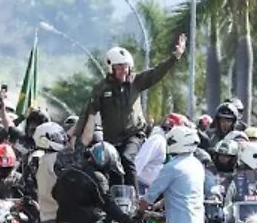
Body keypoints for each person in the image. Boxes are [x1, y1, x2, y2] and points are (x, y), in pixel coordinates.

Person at [71, 36, 187, 186]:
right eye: (119, 67)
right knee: (110, 165)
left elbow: (157, 72)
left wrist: (175, 57)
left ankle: (134, 198)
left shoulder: (136, 82)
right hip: (111, 139)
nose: (123, 71)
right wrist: (76, 137)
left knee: (127, 158)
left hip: (134, 135)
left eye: (125, 67)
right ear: (111, 68)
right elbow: (87, 114)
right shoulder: (101, 89)